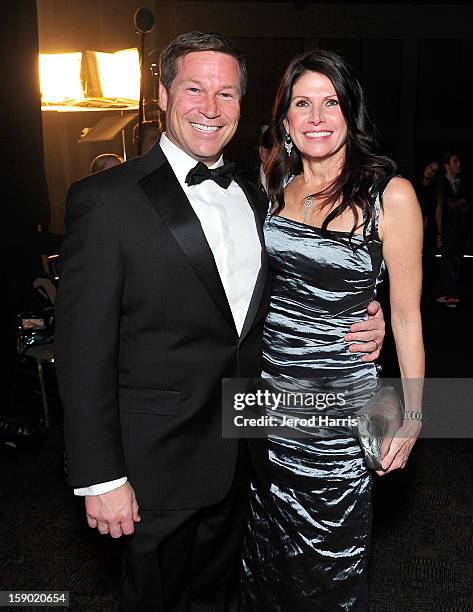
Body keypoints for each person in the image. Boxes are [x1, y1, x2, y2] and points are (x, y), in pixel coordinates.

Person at [55, 33, 386, 611]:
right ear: (162, 95)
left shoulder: (261, 198)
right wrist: (100, 477)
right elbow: (83, 350)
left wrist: (363, 315)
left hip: (247, 453)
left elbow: (285, 296)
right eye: (195, 89)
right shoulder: (104, 200)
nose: (211, 107)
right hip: (151, 469)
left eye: (227, 93)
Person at [240, 49, 424, 610]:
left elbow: (409, 317)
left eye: (331, 102)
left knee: (332, 567)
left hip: (340, 415)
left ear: (350, 113)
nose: (317, 116)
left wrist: (412, 415)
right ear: (287, 120)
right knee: (266, 560)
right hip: (264, 408)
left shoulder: (391, 196)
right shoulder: (271, 186)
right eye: (303, 103)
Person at [435, 151, 471, 307]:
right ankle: (447, 293)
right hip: (448, 228)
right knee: (446, 260)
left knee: (457, 260)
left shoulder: (464, 183)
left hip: (461, 228)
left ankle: (453, 294)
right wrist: (439, 232)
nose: (459, 164)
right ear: (447, 165)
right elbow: (439, 208)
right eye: (455, 161)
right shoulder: (441, 184)